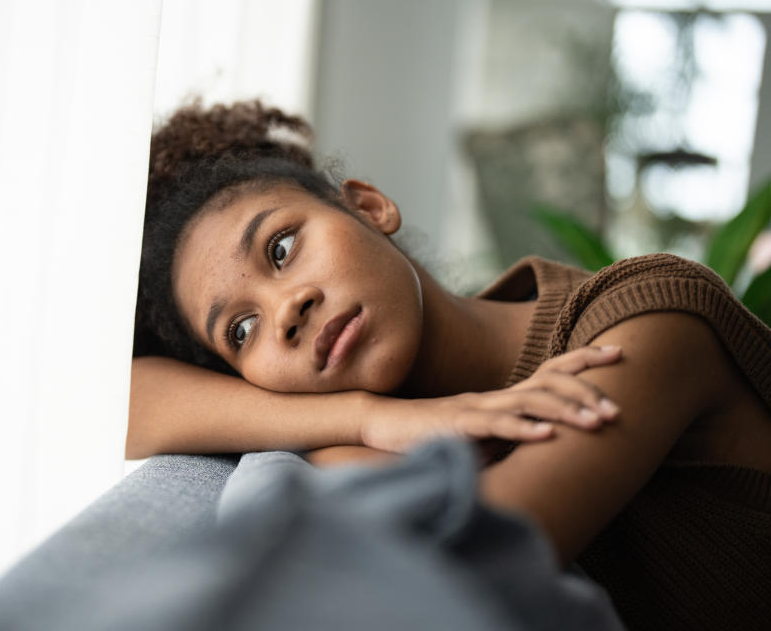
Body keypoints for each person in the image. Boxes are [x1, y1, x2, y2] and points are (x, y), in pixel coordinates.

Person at [131, 100, 771, 630]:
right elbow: (123, 402)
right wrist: (365, 419)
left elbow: (456, 564)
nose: (287, 310)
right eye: (242, 330)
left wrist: (331, 434)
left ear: (368, 206)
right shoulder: (385, 420)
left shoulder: (647, 321)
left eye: (283, 246)